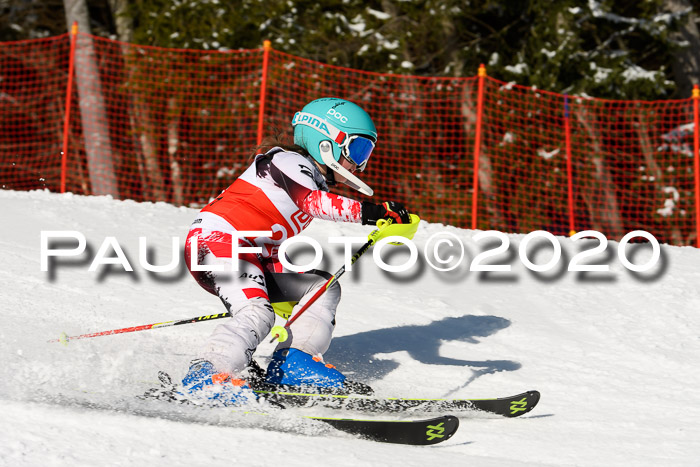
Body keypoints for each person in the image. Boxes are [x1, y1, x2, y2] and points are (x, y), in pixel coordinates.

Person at [181, 97, 412, 405]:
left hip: (248, 253)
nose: (359, 164)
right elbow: (313, 203)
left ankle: (294, 364)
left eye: (365, 154)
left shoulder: (310, 176)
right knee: (256, 313)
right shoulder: (288, 163)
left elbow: (271, 236)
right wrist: (374, 212)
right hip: (216, 242)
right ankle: (207, 375)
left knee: (321, 288)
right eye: (357, 150)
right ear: (327, 142)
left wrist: (291, 298)